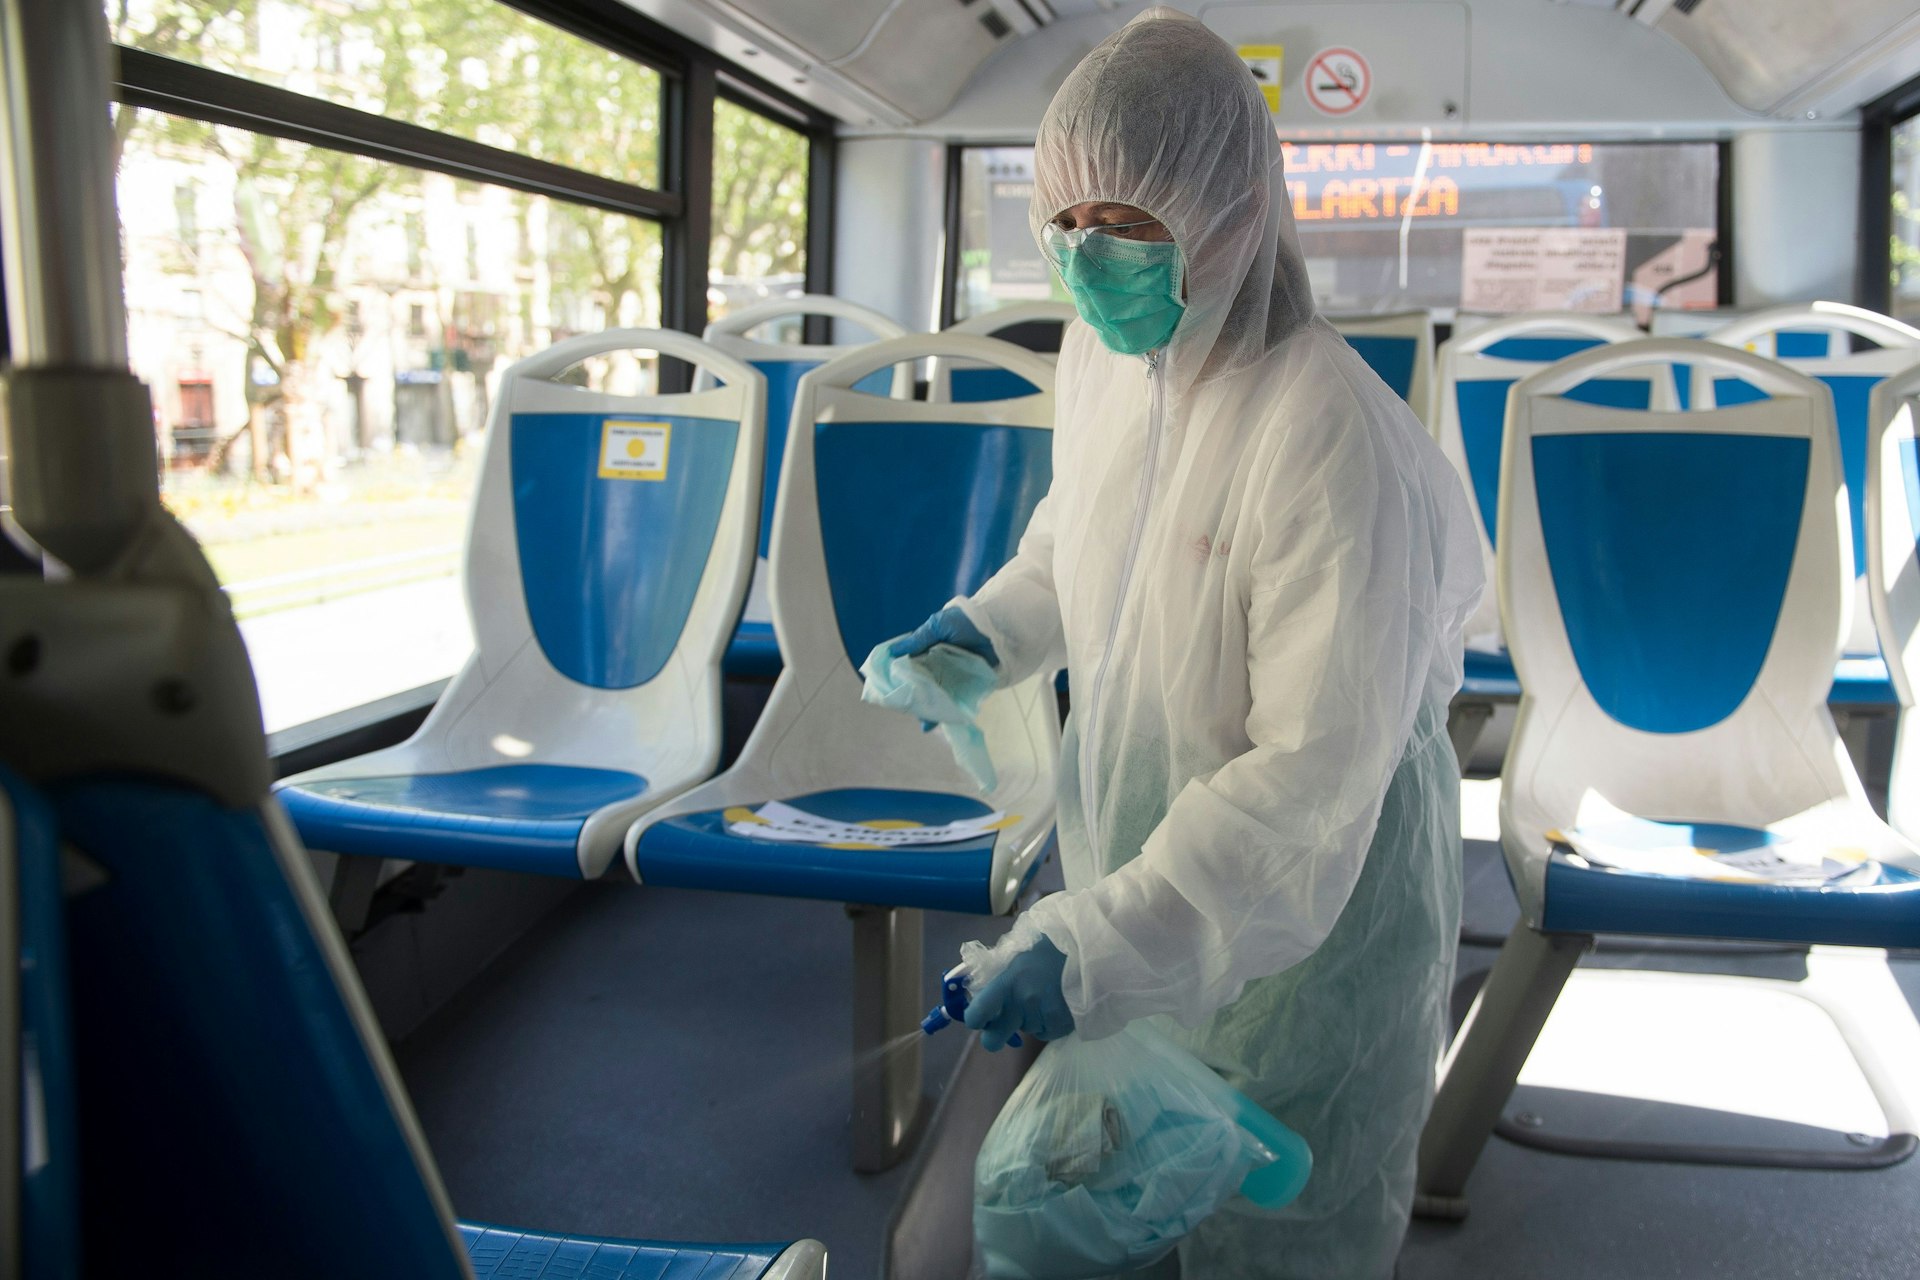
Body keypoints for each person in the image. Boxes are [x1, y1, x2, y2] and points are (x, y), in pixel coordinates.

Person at [884, 8, 1483, 1276]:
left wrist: (1099, 940)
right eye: (1069, 223)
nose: (1092, 257)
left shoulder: (1325, 435)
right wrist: (985, 634)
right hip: (1155, 846)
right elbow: (1077, 544)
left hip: (1323, 893)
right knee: (1141, 1188)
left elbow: (1313, 774)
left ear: (1229, 214)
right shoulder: (1116, 361)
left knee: (1277, 1205)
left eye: (1132, 224)